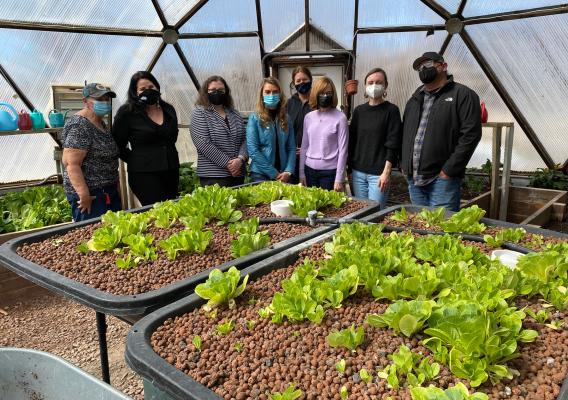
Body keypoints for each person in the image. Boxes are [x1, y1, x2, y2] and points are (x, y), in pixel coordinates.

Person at [401, 52, 482, 212]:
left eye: (428, 64)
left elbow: (471, 135)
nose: (424, 69)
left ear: (443, 66)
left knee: (442, 230)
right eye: (420, 67)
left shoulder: (462, 95)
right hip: (414, 179)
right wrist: (404, 165)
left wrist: (448, 171)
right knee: (419, 228)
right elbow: (405, 133)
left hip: (442, 180)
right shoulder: (415, 99)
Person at [112, 71, 180, 206]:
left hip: (171, 170)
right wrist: (135, 159)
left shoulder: (168, 109)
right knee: (155, 211)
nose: (148, 91)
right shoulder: (127, 113)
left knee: (171, 211)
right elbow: (117, 144)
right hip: (143, 174)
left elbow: (172, 138)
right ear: (135, 92)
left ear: (157, 87)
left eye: (151, 87)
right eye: (142, 89)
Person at [62, 83, 121, 221]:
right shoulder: (79, 125)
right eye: (100, 100)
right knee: (93, 238)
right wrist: (84, 195)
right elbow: (72, 164)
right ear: (85, 102)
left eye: (107, 99)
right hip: (92, 197)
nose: (105, 103)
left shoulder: (100, 123)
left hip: (106, 192)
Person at [348, 68, 402, 208]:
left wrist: (386, 172)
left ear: (385, 86)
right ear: (365, 87)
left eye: (379, 82)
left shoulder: (392, 110)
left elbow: (393, 143)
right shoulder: (359, 111)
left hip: (378, 175)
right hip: (358, 172)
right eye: (370, 82)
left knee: (375, 213)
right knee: (359, 212)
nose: (374, 85)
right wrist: (349, 170)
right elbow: (352, 141)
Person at [190, 75, 247, 187]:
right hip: (213, 176)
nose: (217, 93)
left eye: (221, 90)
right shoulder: (200, 113)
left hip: (237, 174)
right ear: (206, 92)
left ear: (226, 92)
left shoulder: (234, 113)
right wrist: (229, 164)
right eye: (213, 90)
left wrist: (240, 160)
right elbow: (203, 143)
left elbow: (245, 139)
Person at [299, 77, 348, 192]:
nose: (325, 96)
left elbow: (343, 151)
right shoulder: (309, 117)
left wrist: (339, 178)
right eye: (321, 93)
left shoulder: (340, 118)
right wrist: (302, 173)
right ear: (315, 94)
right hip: (309, 171)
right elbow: (304, 147)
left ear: (333, 95)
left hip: (329, 173)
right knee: (310, 207)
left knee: (328, 209)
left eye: (328, 93)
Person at [246, 77, 295, 183]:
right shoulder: (254, 118)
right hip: (260, 174)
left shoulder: (286, 118)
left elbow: (291, 148)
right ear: (261, 95)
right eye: (267, 92)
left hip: (284, 174)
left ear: (280, 94)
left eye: (275, 92)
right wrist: (273, 173)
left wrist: (288, 170)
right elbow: (253, 150)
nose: (271, 95)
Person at [286, 66, 313, 183]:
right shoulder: (288, 104)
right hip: (291, 158)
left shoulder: (317, 103)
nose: (302, 82)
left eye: (305, 79)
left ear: (311, 80)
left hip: (311, 158)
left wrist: (306, 149)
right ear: (294, 83)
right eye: (298, 81)